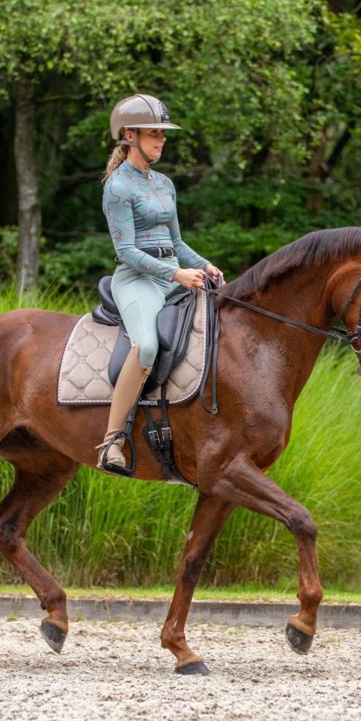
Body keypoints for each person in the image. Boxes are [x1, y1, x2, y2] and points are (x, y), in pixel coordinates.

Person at [97, 93, 224, 474]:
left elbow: (177, 242)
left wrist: (204, 264)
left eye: (163, 134)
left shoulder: (165, 183)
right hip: (137, 279)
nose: (162, 139)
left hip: (174, 274)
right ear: (129, 136)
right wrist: (176, 274)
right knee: (147, 345)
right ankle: (112, 441)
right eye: (154, 133)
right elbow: (127, 251)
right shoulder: (117, 187)